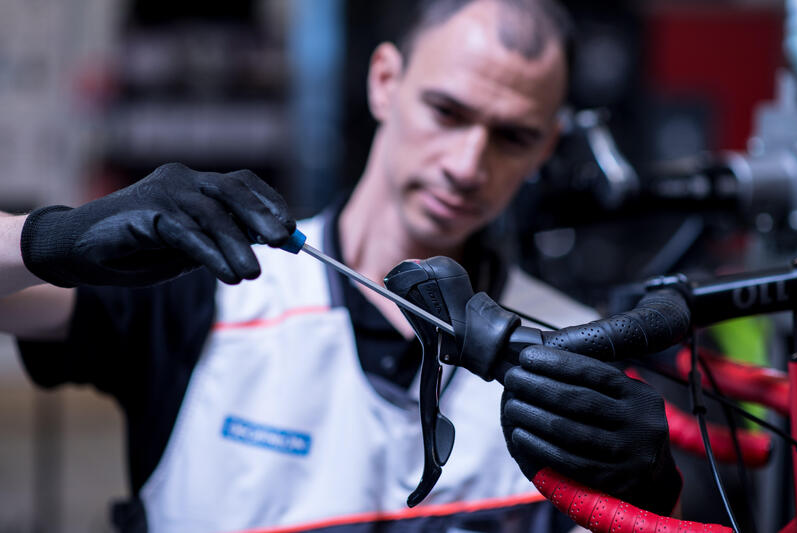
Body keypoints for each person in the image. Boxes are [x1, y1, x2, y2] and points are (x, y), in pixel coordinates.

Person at [0, 0, 682, 531]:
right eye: (446, 111)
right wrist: (54, 237)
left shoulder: (571, 350)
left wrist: (650, 499)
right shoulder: (211, 289)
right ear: (385, 81)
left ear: (547, 147)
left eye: (514, 135)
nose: (468, 164)